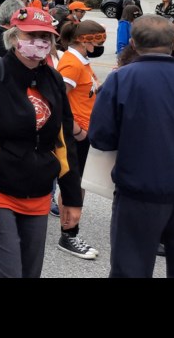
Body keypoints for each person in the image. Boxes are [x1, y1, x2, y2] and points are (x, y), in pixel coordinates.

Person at [0, 7, 82, 278]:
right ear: (14, 37)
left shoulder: (53, 79)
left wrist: (72, 197)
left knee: (29, 272)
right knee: (6, 272)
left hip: (37, 190)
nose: (40, 42)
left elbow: (64, 142)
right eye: (33, 35)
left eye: (46, 37)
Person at [89, 15, 174, 277]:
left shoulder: (120, 79)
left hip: (139, 192)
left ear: (133, 43)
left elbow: (101, 137)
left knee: (131, 268)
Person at [53, 19, 106, 260]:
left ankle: (69, 229)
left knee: (78, 185)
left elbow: (86, 92)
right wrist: (76, 131)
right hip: (75, 136)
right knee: (74, 186)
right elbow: (57, 100)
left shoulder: (81, 62)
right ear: (87, 42)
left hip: (83, 134)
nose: (102, 45)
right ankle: (69, 235)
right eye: (100, 41)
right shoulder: (72, 64)